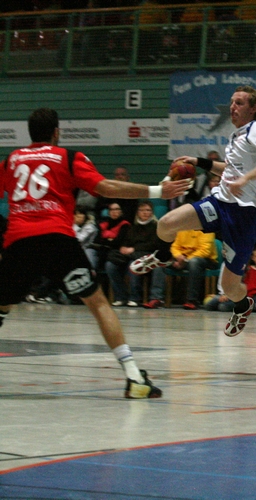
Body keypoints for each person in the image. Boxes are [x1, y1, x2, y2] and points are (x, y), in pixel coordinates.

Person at [0, 107, 190, 398]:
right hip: (58, 241)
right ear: (56, 132)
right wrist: (157, 191)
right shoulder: (68, 157)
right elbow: (106, 187)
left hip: (19, 242)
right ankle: (134, 377)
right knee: (98, 303)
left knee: (2, 305)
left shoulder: (11, 160)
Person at [129, 85, 256, 338]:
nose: (232, 107)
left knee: (229, 287)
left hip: (244, 216)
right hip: (221, 203)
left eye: (239, 103)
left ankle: (243, 306)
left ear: (253, 108)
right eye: (231, 102)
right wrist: (198, 162)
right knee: (166, 223)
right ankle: (162, 256)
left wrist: (246, 179)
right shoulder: (237, 136)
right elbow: (229, 170)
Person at [106, 201, 167, 308]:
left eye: (148, 210)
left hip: (148, 256)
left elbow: (154, 244)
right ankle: (121, 296)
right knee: (110, 266)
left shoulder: (156, 227)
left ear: (152, 212)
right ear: (137, 212)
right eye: (142, 210)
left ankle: (135, 298)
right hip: (131, 255)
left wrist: (134, 249)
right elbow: (126, 241)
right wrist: (124, 247)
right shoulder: (132, 227)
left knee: (134, 264)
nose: (145, 213)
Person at [169, 229, 219, 310]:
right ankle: (156, 298)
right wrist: (178, 256)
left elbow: (205, 251)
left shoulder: (206, 229)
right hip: (184, 259)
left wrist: (185, 261)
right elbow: (175, 246)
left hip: (207, 260)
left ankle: (192, 300)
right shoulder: (182, 228)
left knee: (194, 262)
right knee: (162, 261)